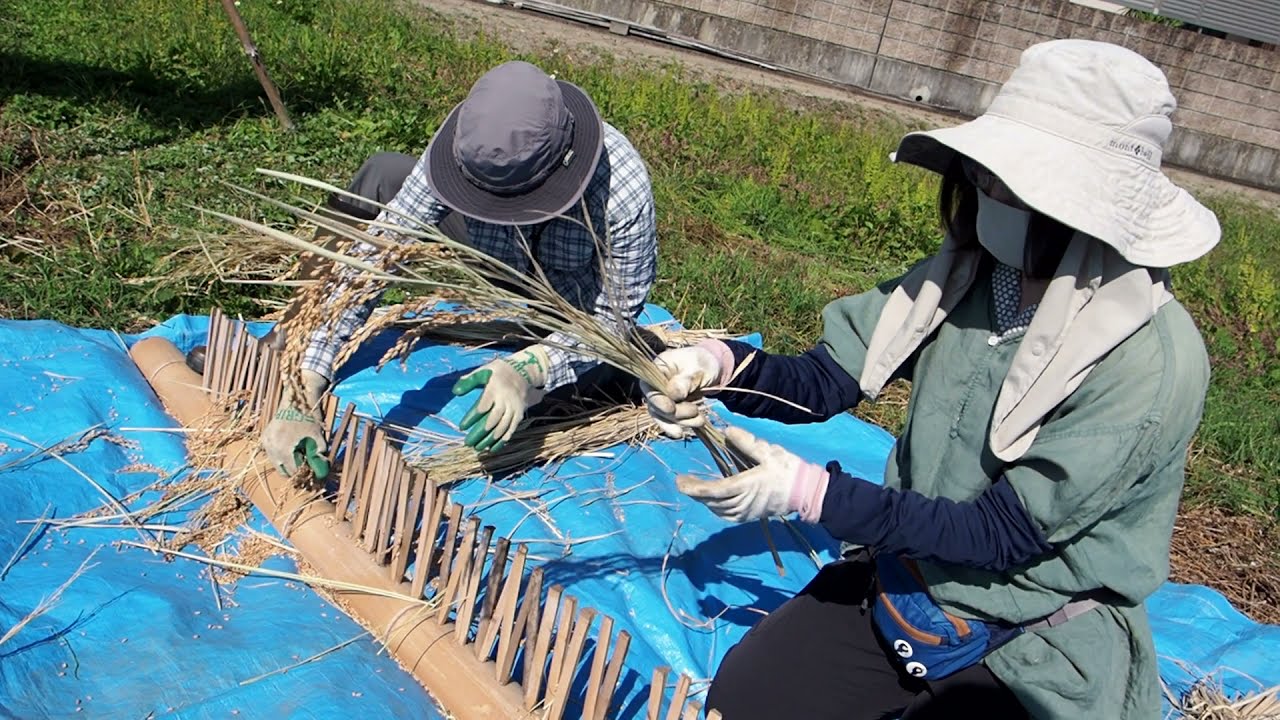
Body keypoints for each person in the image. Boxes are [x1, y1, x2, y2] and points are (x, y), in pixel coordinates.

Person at [643, 39, 1219, 719]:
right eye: (985, 175)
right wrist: (718, 366)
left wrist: (812, 494)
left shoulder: (1147, 359)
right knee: (749, 698)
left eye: (1009, 183)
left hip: (1031, 622)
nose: (986, 193)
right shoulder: (975, 274)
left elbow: (1000, 536)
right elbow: (826, 379)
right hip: (913, 571)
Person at [260, 61, 658, 478]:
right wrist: (305, 384)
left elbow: (613, 317)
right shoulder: (469, 144)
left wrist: (535, 365)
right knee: (384, 173)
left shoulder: (621, 189)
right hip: (495, 260)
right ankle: (295, 331)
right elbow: (372, 259)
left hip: (568, 307)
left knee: (552, 406)